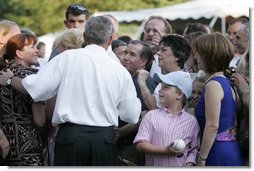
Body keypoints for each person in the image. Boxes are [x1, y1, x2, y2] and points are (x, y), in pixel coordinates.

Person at [0, 16, 141, 166]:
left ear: (85, 36)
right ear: (111, 38)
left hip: (71, 137)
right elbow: (131, 115)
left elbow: (37, 88)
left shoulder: (67, 58)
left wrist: (10, 79)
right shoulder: (119, 70)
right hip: (103, 139)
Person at [193, 33, 244, 166]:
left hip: (217, 152)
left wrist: (202, 158)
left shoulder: (213, 85)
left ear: (208, 55)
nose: (195, 57)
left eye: (198, 53)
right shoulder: (227, 82)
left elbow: (212, 126)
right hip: (231, 150)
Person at [134, 71, 200, 166]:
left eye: (166, 87)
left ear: (179, 95)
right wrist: (164, 151)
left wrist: (189, 165)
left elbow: (193, 150)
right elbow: (140, 145)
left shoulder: (191, 122)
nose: (160, 90)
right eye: (161, 86)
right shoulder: (151, 116)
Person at [0, 33, 46, 165]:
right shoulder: (32, 77)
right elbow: (40, 121)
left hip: (5, 141)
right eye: (32, 47)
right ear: (19, 53)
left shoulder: (2, 71)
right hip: (27, 144)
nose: (37, 50)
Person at [118, 40, 156, 165]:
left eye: (132, 54)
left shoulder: (145, 82)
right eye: (125, 53)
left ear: (144, 61)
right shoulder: (125, 77)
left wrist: (118, 133)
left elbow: (145, 117)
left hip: (131, 147)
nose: (125, 58)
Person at [138, 34, 191, 110]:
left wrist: (142, 83)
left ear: (178, 56)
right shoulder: (171, 77)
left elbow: (155, 111)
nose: (158, 53)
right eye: (159, 49)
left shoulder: (180, 79)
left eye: (164, 50)